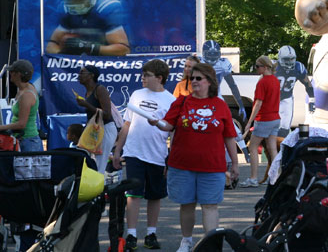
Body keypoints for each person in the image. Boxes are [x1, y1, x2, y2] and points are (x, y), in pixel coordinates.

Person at [150, 62, 238, 252]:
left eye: (198, 78)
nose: (194, 81)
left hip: (213, 166)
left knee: (210, 206)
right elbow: (168, 125)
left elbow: (230, 137)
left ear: (209, 81)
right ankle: (186, 241)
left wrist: (235, 164)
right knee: (187, 205)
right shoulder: (181, 101)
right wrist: (158, 123)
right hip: (182, 165)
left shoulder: (220, 105)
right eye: (192, 78)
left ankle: (211, 244)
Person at [112, 59, 176, 251]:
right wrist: (117, 150)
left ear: (160, 78)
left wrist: (170, 157)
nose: (143, 79)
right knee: (133, 194)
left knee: (154, 196)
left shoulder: (170, 100)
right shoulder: (137, 94)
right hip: (134, 152)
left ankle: (151, 233)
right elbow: (127, 124)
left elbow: (172, 130)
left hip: (157, 154)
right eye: (143, 75)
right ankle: (131, 234)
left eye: (146, 76)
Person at [46, 0, 131, 56]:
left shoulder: (105, 8)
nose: (76, 3)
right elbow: (51, 45)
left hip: (105, 63)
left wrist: (90, 47)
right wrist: (63, 53)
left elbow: (123, 50)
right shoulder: (65, 9)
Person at [240, 56, 280, 188]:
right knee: (272, 148)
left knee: (252, 147)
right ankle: (274, 177)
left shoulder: (262, 82)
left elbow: (258, 103)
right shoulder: (275, 80)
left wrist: (249, 122)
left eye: (258, 66)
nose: (256, 68)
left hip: (264, 119)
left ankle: (253, 178)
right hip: (275, 118)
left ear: (265, 67)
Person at [76, 64, 118, 173]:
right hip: (97, 131)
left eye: (82, 73)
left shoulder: (100, 89)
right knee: (93, 163)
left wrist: (86, 105)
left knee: (99, 165)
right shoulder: (88, 92)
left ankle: (99, 188)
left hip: (106, 129)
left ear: (91, 75)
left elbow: (107, 114)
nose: (79, 75)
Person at [0, 60, 42, 152]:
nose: (10, 73)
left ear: (18, 74)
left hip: (27, 141)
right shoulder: (25, 88)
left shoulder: (26, 95)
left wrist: (2, 127)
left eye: (12, 71)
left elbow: (21, 124)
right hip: (23, 139)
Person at [199, 40, 246, 122]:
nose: (212, 56)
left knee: (226, 122)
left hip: (217, 97)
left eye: (215, 54)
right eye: (210, 54)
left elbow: (232, 85)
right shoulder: (198, 63)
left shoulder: (223, 64)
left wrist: (241, 105)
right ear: (204, 53)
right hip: (200, 98)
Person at [274, 45, 315, 137]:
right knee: (272, 125)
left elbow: (307, 83)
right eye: (286, 59)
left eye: (291, 59)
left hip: (287, 98)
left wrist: (312, 99)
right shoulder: (273, 67)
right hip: (273, 98)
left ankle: (282, 147)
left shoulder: (298, 67)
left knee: (285, 127)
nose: (289, 62)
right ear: (280, 58)